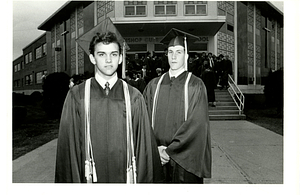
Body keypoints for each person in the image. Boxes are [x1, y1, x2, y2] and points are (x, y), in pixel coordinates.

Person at [55, 26, 163, 183]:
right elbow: (68, 150)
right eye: (101, 54)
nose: (108, 60)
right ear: (92, 58)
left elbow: (144, 149)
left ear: (120, 58)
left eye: (113, 54)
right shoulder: (77, 96)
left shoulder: (134, 96)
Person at [143, 28, 212, 183]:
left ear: (186, 56)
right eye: (170, 51)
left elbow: (197, 125)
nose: (174, 56)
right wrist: (155, 148)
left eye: (179, 52)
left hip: (184, 160)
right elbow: (143, 119)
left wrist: (170, 151)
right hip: (156, 157)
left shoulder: (195, 85)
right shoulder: (154, 85)